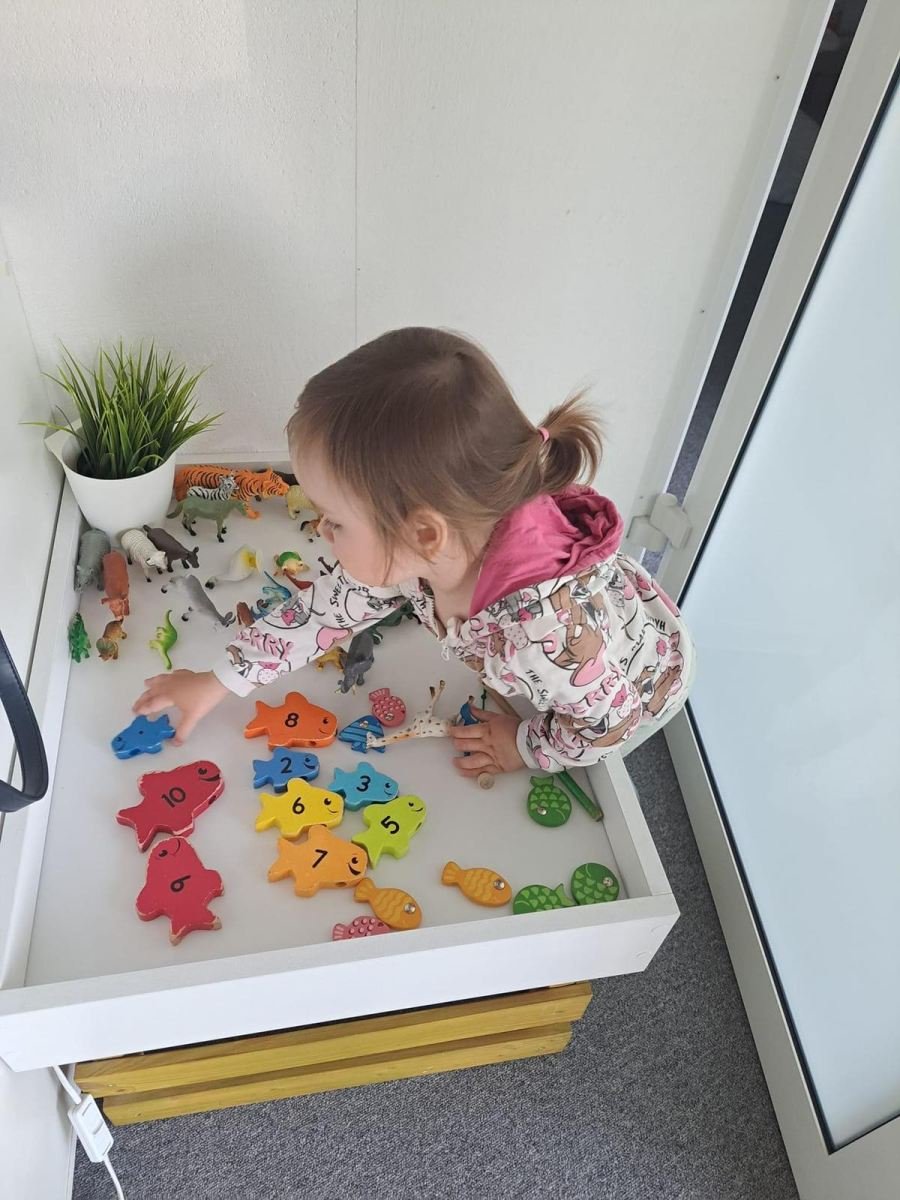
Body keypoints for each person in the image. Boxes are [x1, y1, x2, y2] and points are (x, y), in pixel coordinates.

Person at [133, 327, 694, 778]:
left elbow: (609, 723)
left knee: (589, 714)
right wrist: (219, 680)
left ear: (424, 535)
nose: (320, 532)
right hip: (566, 664)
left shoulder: (542, 638)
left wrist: (526, 745)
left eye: (335, 521)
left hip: (640, 688)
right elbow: (325, 612)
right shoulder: (438, 540)